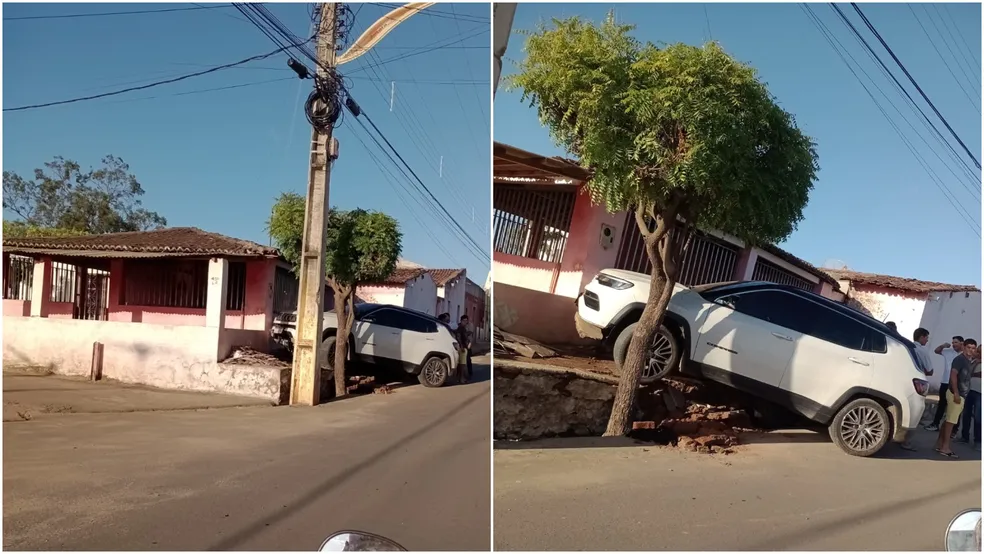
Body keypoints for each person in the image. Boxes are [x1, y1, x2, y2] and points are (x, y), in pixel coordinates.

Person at [936, 338, 976, 458]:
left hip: (960, 394)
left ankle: (939, 444)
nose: (971, 350)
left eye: (973, 348)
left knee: (948, 420)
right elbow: (953, 375)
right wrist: (956, 393)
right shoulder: (960, 360)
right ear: (964, 347)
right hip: (956, 394)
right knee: (950, 422)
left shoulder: (968, 361)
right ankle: (945, 447)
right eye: (969, 347)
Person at [901, 328, 935, 451]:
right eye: (926, 337)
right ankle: (906, 441)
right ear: (921, 337)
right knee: (915, 411)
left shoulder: (906, 346)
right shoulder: (922, 351)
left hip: (903, 380)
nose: (927, 340)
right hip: (917, 383)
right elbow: (930, 371)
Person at [927, 336, 965, 432]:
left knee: (956, 407)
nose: (953, 344)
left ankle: (954, 429)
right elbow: (936, 351)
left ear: (962, 343)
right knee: (942, 404)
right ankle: (935, 424)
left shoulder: (964, 355)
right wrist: (944, 345)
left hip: (957, 384)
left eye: (956, 342)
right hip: (945, 382)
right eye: (953, 342)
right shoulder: (948, 351)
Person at [958, 344, 982, 449]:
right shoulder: (972, 361)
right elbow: (968, 373)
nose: (978, 354)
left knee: (978, 417)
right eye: (978, 351)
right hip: (969, 390)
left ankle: (978, 441)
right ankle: (964, 437)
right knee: (966, 414)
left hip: (980, 392)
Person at [456, 314, 473, 382]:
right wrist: (462, 347)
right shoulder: (461, 328)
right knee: (462, 364)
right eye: (464, 321)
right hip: (463, 348)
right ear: (462, 321)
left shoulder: (463, 328)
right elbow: (459, 337)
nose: (466, 322)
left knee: (462, 363)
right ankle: (461, 378)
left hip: (464, 347)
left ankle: (460, 378)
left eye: (466, 321)